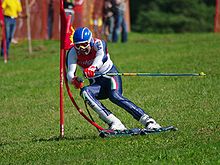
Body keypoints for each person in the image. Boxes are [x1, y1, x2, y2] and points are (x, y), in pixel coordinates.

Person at [66, 27, 161, 130]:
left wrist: (93, 67)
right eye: (78, 45)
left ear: (90, 41)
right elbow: (70, 73)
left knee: (115, 96)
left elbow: (102, 57)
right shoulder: (72, 52)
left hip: (110, 77)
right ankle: (115, 123)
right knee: (85, 92)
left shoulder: (99, 43)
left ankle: (148, 121)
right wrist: (74, 80)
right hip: (97, 84)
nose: (81, 48)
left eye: (84, 44)